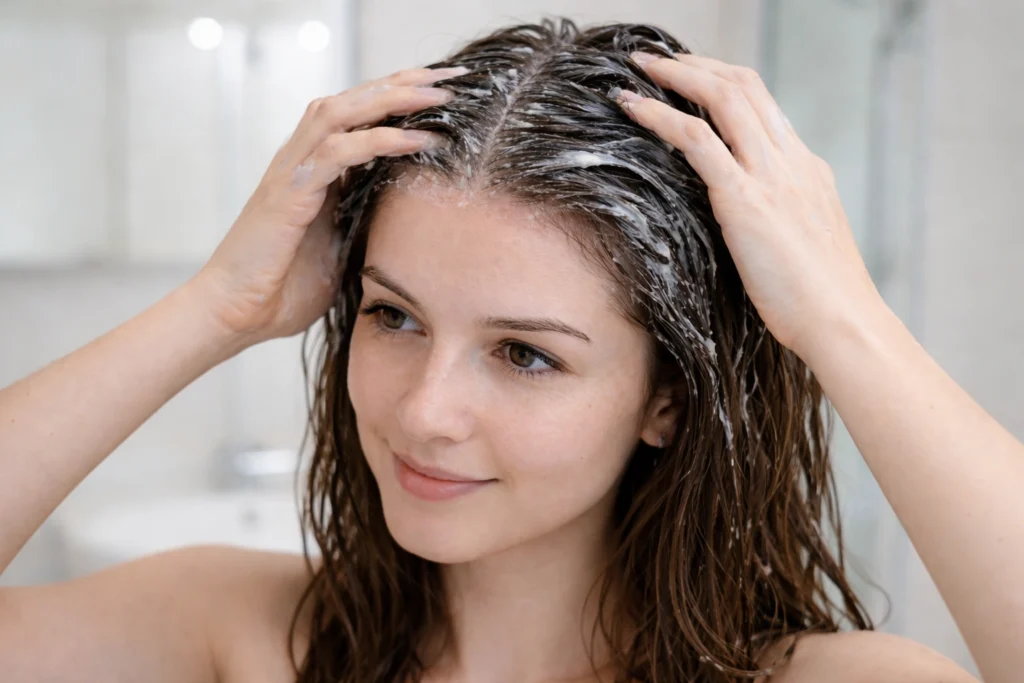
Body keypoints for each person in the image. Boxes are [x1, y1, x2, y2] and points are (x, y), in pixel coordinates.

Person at [0, 16, 1017, 683]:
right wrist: (215, 307)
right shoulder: (243, 634)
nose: (423, 409)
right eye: (393, 315)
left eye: (526, 353)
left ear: (666, 395)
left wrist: (843, 321)